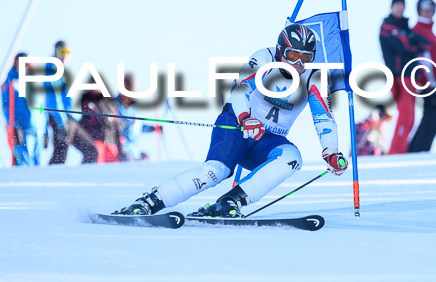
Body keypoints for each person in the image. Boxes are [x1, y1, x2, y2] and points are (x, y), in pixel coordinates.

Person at [114, 24, 348, 218]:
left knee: (291, 158)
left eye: (305, 57)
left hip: (267, 140)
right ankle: (148, 202)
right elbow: (240, 91)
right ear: (280, 51)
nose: (298, 64)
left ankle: (228, 203)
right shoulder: (263, 58)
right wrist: (246, 118)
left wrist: (331, 150)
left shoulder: (314, 78)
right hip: (237, 125)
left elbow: (323, 117)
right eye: (293, 55)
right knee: (215, 172)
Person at [379, 0, 428, 154]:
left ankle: (401, 150)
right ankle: (396, 152)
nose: (400, 9)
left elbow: (423, 43)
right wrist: (413, 42)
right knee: (405, 114)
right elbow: (404, 45)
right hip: (398, 76)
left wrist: (412, 41)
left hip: (410, 75)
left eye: (402, 6)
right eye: (397, 6)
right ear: (391, 7)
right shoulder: (388, 26)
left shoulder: (404, 27)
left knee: (411, 116)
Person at [408, 0, 436, 153]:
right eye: (426, 10)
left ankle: (416, 150)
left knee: (432, 117)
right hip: (431, 84)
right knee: (431, 119)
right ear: (419, 11)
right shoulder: (419, 32)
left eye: (431, 10)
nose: (429, 13)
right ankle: (418, 151)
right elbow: (423, 60)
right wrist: (430, 83)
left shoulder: (427, 32)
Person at [44, 40, 98, 164]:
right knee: (60, 155)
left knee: (91, 150)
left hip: (71, 119)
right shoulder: (52, 70)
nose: (64, 55)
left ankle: (82, 179)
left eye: (67, 52)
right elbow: (53, 98)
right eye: (61, 52)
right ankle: (49, 180)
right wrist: (60, 121)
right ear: (55, 52)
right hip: (62, 120)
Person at [1, 52, 47, 166]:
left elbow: (41, 107)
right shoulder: (11, 81)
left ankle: (37, 182)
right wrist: (13, 126)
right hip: (22, 128)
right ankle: (22, 181)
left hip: (38, 128)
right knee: (23, 161)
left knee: (37, 162)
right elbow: (6, 106)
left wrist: (45, 130)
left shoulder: (35, 81)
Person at [114, 74, 160, 162]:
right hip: (120, 152)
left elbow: (137, 127)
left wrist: (152, 128)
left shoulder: (134, 107)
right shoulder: (113, 104)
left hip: (134, 152)